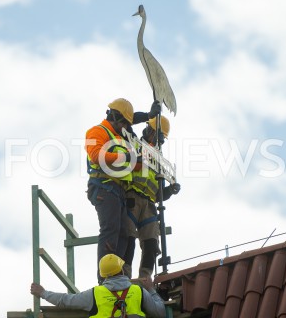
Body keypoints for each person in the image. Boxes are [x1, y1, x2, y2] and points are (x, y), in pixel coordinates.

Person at [85, 98, 160, 283]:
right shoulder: (97, 131)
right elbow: (96, 156)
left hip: (117, 190)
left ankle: (116, 274)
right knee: (110, 230)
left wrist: (138, 162)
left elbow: (127, 165)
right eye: (124, 122)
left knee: (123, 234)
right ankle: (105, 278)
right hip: (103, 186)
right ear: (115, 117)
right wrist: (127, 156)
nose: (126, 126)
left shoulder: (119, 137)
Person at [122, 116, 181, 280]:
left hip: (149, 204)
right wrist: (148, 115)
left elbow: (158, 194)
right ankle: (124, 275)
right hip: (132, 196)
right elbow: (126, 125)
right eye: (149, 129)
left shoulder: (159, 161)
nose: (149, 132)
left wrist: (170, 190)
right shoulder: (134, 144)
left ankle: (145, 278)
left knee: (151, 243)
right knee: (128, 237)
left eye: (154, 132)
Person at [30, 254, 166, 318]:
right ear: (122, 270)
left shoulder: (94, 294)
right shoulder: (138, 291)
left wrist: (43, 293)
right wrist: (151, 289)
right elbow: (161, 313)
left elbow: (65, 300)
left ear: (104, 275)